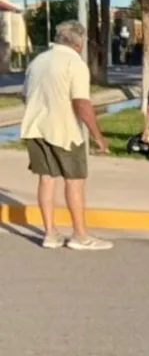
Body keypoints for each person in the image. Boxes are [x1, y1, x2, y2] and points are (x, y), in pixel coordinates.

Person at [20, 21, 112, 250]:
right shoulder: (75, 64)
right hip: (65, 131)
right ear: (79, 43)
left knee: (46, 179)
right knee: (75, 181)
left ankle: (50, 233)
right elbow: (81, 103)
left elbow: (25, 95)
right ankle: (80, 235)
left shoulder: (38, 62)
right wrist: (97, 135)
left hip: (35, 128)